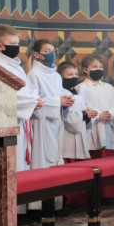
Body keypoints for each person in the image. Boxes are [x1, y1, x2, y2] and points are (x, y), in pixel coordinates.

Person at [0, 24, 44, 171]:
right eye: (12, 44)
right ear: (0, 46)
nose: (16, 47)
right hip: (8, 123)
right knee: (15, 166)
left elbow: (28, 89)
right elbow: (4, 95)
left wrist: (35, 100)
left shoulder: (17, 66)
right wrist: (32, 101)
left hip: (21, 121)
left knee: (24, 165)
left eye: (17, 44)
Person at [78, 54, 114, 202]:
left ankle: (109, 195)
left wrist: (111, 113)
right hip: (92, 127)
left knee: (108, 161)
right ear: (85, 69)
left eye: (101, 67)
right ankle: (94, 196)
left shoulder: (108, 87)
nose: (99, 69)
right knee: (94, 160)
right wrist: (97, 115)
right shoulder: (80, 88)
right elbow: (82, 107)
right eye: (95, 67)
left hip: (108, 126)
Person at [27, 38, 73, 170]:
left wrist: (65, 102)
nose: (51, 54)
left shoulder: (56, 76)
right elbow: (33, 101)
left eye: (53, 51)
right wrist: (58, 102)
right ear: (36, 54)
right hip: (41, 122)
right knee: (42, 160)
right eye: (47, 51)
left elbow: (58, 97)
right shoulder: (34, 74)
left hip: (56, 122)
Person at [57, 61, 90, 163]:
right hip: (67, 136)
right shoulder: (61, 93)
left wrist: (88, 115)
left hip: (81, 133)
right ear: (60, 76)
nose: (74, 77)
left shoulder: (78, 92)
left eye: (76, 74)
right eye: (70, 74)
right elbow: (65, 115)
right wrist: (84, 115)